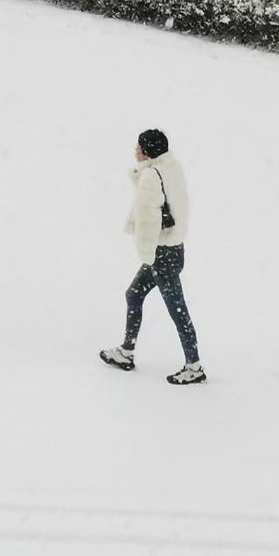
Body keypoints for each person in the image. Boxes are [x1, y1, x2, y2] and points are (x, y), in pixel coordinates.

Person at [100, 129, 206, 385]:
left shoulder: (150, 175)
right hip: (174, 249)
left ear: (146, 150)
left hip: (161, 254)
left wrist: (148, 254)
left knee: (178, 310)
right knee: (134, 294)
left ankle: (194, 366)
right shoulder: (171, 167)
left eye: (138, 146)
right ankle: (127, 351)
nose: (134, 150)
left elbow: (148, 221)